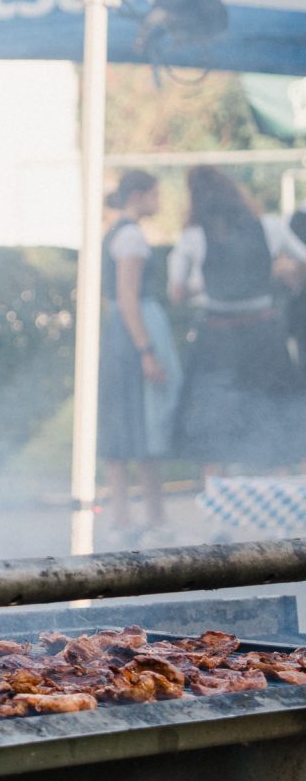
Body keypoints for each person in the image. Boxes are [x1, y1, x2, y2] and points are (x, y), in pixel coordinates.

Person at [167, 165, 306, 473]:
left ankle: (215, 496)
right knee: (277, 412)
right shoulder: (270, 226)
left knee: (212, 419)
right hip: (263, 333)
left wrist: (203, 285)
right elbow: (302, 260)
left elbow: (176, 292)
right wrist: (285, 275)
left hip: (219, 337)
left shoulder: (192, 237)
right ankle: (281, 493)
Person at [95, 170, 178, 544]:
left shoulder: (116, 232)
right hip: (134, 332)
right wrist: (146, 350)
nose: (158, 202)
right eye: (155, 194)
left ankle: (126, 517)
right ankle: (151, 518)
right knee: (144, 420)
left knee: (126, 420)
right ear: (140, 195)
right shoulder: (129, 236)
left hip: (122, 332)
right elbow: (128, 296)